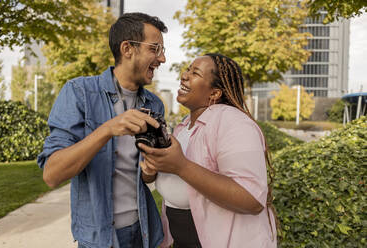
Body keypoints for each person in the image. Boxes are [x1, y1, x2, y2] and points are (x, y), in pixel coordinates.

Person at [37, 12, 168, 248]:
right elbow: (51, 174)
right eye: (155, 49)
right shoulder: (79, 92)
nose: (163, 58)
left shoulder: (154, 104)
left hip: (144, 232)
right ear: (128, 48)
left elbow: (146, 177)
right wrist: (107, 129)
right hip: (99, 239)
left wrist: (150, 169)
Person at [139, 54, 278, 248]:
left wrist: (181, 166)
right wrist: (151, 170)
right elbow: (169, 180)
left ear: (214, 94)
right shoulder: (184, 127)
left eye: (195, 73)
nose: (184, 76)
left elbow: (251, 198)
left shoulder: (234, 123)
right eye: (188, 69)